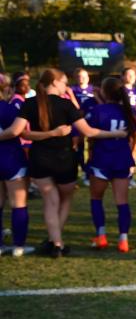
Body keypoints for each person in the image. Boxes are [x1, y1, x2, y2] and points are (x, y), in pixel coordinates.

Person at [0, 69, 126, 257]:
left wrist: (47, 135)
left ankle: (55, 241)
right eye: (64, 83)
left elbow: (20, 132)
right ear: (54, 82)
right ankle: (57, 243)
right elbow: (89, 132)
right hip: (64, 159)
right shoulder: (66, 105)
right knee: (65, 199)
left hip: (39, 159)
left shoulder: (30, 103)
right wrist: (118, 134)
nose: (66, 87)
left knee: (51, 202)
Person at [85, 76, 136, 252]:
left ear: (104, 91)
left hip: (101, 159)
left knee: (96, 199)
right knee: (122, 202)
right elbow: (134, 137)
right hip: (121, 159)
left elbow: (89, 134)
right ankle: (123, 240)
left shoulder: (98, 110)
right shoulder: (128, 110)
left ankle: (101, 236)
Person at [0, 81, 31, 256]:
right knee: (18, 203)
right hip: (11, 158)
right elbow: (20, 131)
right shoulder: (10, 109)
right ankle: (18, 245)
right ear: (7, 90)